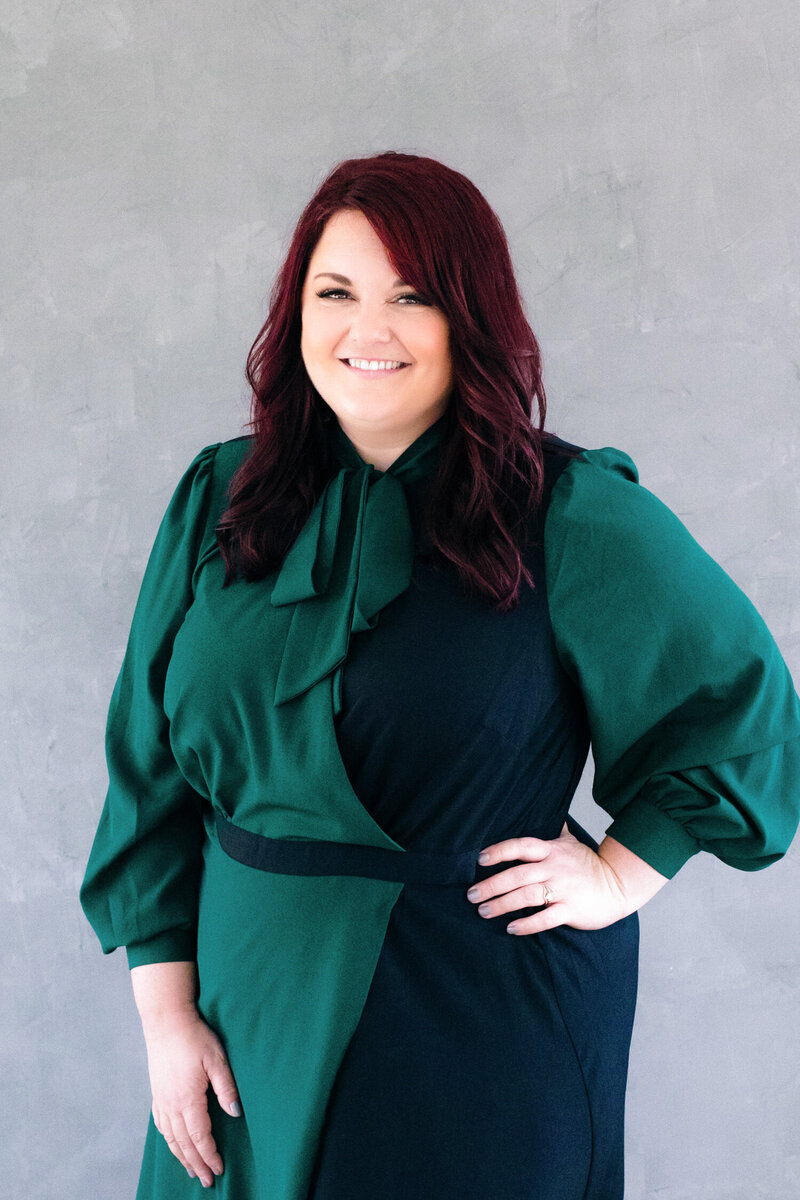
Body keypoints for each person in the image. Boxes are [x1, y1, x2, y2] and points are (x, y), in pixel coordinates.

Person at [80, 150, 800, 1200]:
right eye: (336, 293)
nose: (366, 331)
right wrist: (165, 1018)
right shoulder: (219, 497)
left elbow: (741, 713)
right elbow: (146, 769)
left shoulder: (568, 511)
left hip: (471, 1017)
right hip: (242, 1011)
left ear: (467, 317)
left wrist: (619, 874)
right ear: (296, 315)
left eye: (409, 297)